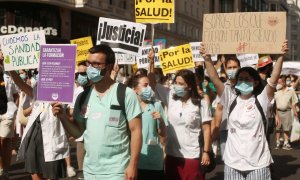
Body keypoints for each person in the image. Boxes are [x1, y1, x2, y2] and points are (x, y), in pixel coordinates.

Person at [52, 44, 143, 180]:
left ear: (109, 66)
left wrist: (133, 165)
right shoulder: (83, 97)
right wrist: (63, 117)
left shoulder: (125, 94)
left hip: (118, 171)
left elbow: (136, 131)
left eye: (96, 64)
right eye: (89, 63)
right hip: (90, 171)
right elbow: (78, 132)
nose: (90, 68)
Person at [201, 41, 288, 180]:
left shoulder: (262, 100)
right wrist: (207, 59)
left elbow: (274, 79)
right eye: (240, 79)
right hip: (232, 164)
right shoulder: (230, 99)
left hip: (258, 165)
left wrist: (280, 57)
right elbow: (215, 79)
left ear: (255, 82)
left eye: (247, 79)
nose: (242, 81)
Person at [150, 66, 212, 179]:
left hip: (192, 155)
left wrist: (206, 152)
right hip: (171, 154)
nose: (177, 86)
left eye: (181, 84)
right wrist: (151, 62)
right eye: (176, 83)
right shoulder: (170, 97)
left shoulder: (201, 103)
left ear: (189, 86)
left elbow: (207, 128)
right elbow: (152, 83)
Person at [9, 69, 69, 179]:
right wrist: (10, 69)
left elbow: (66, 111)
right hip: (34, 135)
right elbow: (20, 84)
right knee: (34, 171)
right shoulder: (37, 90)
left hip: (52, 135)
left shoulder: (62, 89)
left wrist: (58, 108)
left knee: (52, 173)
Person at [127, 75, 167, 180]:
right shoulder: (128, 107)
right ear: (135, 89)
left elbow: (163, 134)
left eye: (149, 85)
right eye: (145, 85)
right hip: (133, 161)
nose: (149, 88)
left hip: (153, 161)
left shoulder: (156, 106)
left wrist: (161, 120)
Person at [211, 55, 241, 159]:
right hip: (225, 130)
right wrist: (216, 128)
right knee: (226, 158)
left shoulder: (246, 86)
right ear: (225, 69)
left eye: (235, 67)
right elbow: (219, 109)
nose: (232, 70)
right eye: (229, 68)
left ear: (239, 68)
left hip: (242, 130)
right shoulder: (223, 88)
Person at [0, 51, 18, 179]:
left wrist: (15, 108)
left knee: (5, 140)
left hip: (8, 112)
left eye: (2, 52)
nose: (0, 55)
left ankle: (4, 169)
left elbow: (16, 93)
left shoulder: (10, 73)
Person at [275, 75, 298, 150]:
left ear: (284, 82)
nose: (279, 83)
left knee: (286, 128)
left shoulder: (290, 91)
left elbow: (294, 102)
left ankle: (285, 142)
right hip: (278, 112)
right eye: (278, 82)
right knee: (278, 128)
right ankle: (278, 142)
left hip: (287, 111)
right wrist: (275, 115)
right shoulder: (276, 91)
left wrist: (295, 111)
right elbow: (274, 104)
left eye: (280, 82)